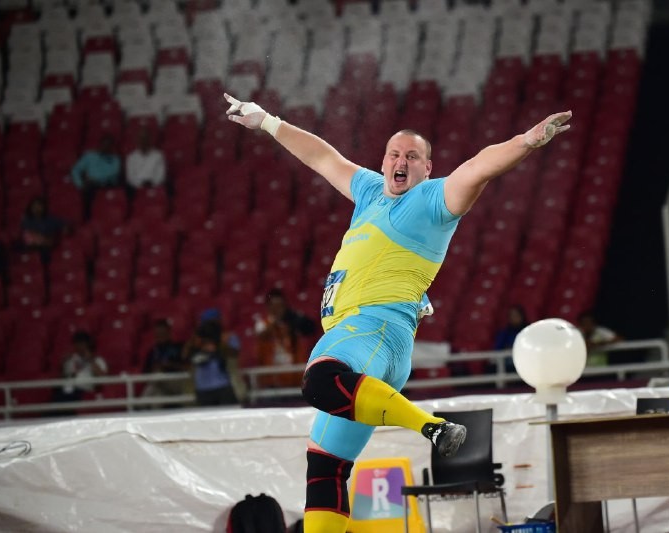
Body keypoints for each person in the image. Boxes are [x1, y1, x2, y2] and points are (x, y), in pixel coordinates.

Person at [224, 92, 571, 532]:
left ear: (427, 168)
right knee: (326, 466)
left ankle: (432, 428)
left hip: (374, 331)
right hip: (361, 342)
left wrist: (526, 141)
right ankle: (428, 428)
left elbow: (478, 167)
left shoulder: (431, 200)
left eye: (412, 156)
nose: (400, 161)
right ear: (384, 161)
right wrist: (268, 122)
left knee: (319, 381)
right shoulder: (371, 190)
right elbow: (323, 157)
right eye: (394, 154)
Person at [254, 288, 317, 388]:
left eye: (280, 306)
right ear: (268, 307)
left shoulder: (292, 323)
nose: (278, 309)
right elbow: (262, 335)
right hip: (272, 379)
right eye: (274, 306)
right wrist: (275, 322)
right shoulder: (262, 324)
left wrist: (293, 319)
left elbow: (310, 328)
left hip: (294, 376)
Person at [183, 310, 246, 406]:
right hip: (203, 388)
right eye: (207, 323)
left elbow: (234, 353)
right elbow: (185, 356)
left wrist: (217, 343)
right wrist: (197, 342)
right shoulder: (197, 340)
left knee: (229, 413)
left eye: (213, 323)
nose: (210, 327)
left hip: (224, 385)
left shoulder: (228, 337)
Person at [52, 330, 108, 402]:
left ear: (88, 344)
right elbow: (64, 377)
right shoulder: (71, 359)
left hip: (84, 393)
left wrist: (90, 360)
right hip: (67, 390)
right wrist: (62, 364)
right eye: (76, 343)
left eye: (81, 343)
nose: (79, 346)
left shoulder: (98, 360)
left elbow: (101, 380)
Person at [141, 318, 186, 401]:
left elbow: (186, 367)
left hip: (177, 382)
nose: (160, 336)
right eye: (157, 334)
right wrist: (153, 368)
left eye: (162, 333)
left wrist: (169, 365)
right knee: (157, 397)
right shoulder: (153, 352)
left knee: (157, 376)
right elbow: (145, 373)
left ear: (169, 332)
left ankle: (140, 404)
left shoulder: (179, 348)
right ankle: (142, 405)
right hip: (159, 385)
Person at [19, 197, 69, 262]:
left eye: (39, 206)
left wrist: (65, 228)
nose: (37, 208)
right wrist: (42, 240)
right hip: (33, 245)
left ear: (43, 207)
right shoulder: (27, 220)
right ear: (30, 207)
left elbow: (64, 224)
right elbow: (28, 235)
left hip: (48, 246)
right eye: (34, 206)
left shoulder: (50, 219)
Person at [492, 304, 529, 373]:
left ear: (522, 316)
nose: (514, 318)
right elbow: (497, 349)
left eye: (516, 315)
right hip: (508, 364)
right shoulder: (504, 333)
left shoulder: (528, 332)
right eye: (511, 316)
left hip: (526, 363)